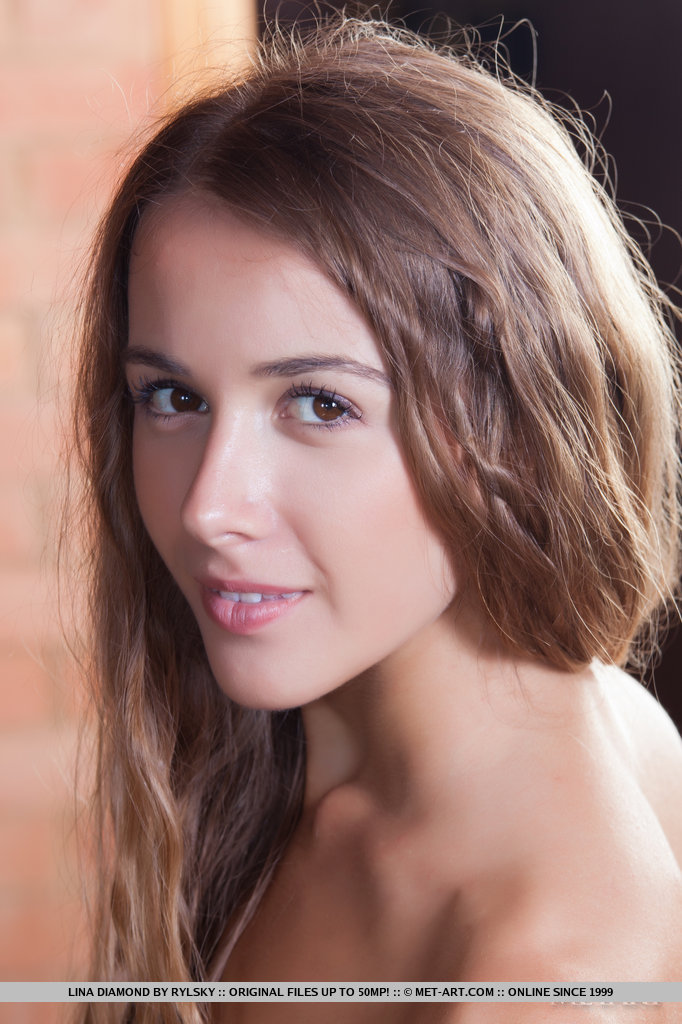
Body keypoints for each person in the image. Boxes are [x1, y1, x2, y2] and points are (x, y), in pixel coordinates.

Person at [71, 15, 682, 1024]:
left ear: (517, 427)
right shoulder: (323, 751)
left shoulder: (535, 982)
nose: (208, 506)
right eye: (172, 397)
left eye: (319, 404)